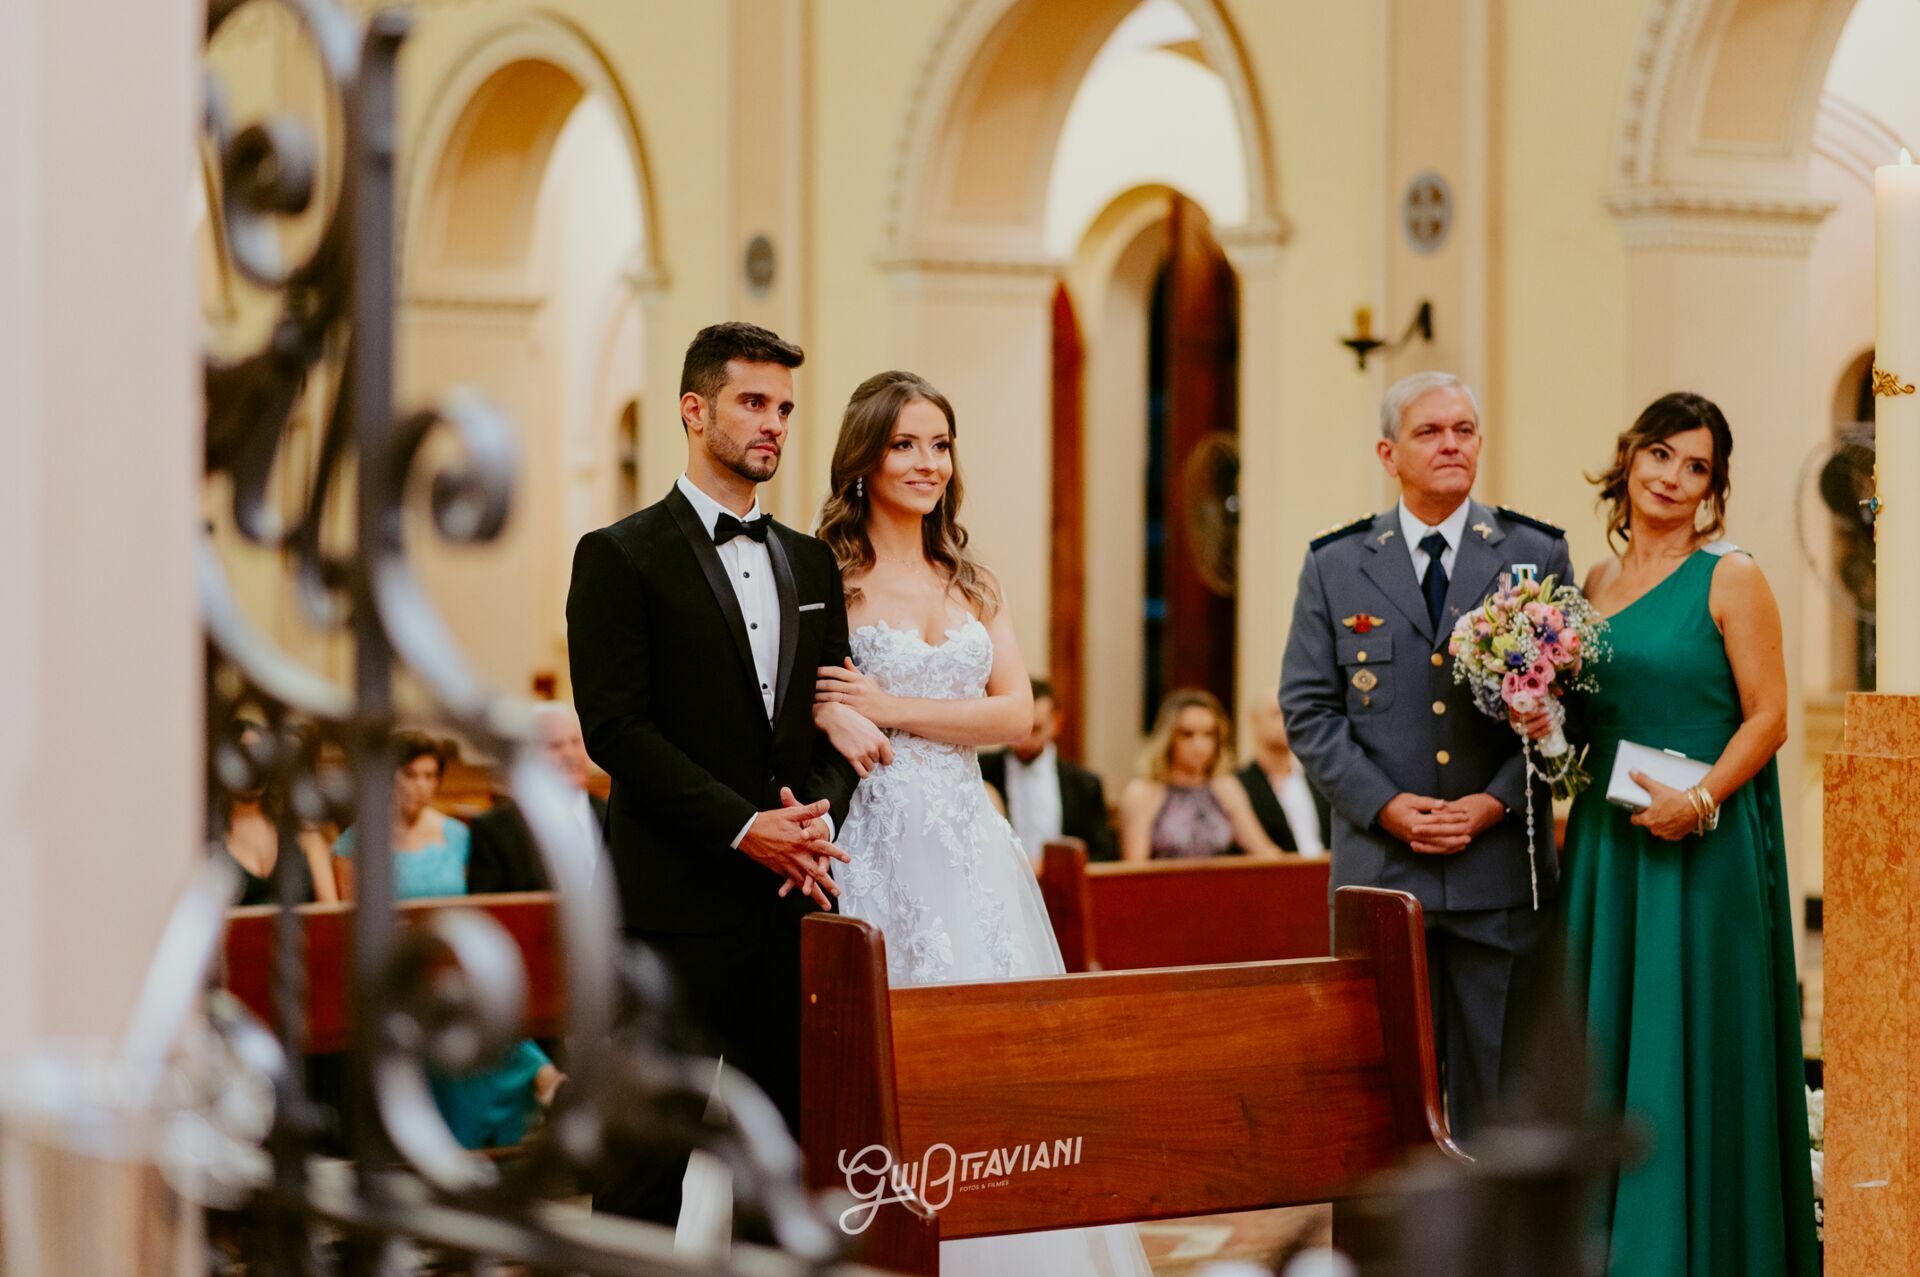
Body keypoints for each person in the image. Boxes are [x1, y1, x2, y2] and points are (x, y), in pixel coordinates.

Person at [813, 369, 1150, 1277]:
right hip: (877, 840)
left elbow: (1017, 716)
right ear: (864, 457)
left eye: (940, 443)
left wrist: (889, 704)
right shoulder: (829, 577)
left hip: (973, 840)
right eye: (905, 444)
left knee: (1006, 1058)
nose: (927, 462)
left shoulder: (971, 581)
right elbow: (804, 701)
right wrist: (850, 710)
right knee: (898, 1061)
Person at [565, 322, 869, 1228]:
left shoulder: (810, 562)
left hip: (786, 910)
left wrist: (815, 823)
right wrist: (744, 828)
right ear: (695, 411)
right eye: (752, 401)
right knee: (643, 1170)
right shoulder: (619, 554)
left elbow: (835, 715)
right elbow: (617, 729)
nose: (773, 423)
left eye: (783, 407)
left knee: (782, 1173)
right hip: (670, 912)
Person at [1553, 393, 1817, 1274]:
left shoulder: (1730, 575)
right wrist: (1536, 718)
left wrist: (1699, 800)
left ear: (1715, 485)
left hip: (1699, 850)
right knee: (1609, 1047)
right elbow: (1590, 719)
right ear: (1629, 457)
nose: (1672, 478)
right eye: (1661, 455)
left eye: (1696, 466)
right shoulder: (1593, 583)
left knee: (1688, 1047)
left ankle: (1702, 1248)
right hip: (1608, 845)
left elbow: (1771, 717)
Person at [1278, 370, 1573, 1142]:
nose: (1451, 444)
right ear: (1388, 452)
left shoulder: (1534, 555)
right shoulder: (1336, 565)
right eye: (1430, 431)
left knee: (1500, 1096)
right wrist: (1385, 805)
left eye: (1465, 430)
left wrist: (1495, 801)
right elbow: (1308, 709)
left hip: (1499, 871)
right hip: (1384, 870)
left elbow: (1570, 704)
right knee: (1380, 1098)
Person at [333, 730, 562, 1148]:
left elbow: (477, 909)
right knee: (444, 1009)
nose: (421, 787)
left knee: (476, 1000)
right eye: (410, 775)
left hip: (452, 961)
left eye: (430, 776)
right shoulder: (357, 843)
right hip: (394, 968)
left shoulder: (458, 835)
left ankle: (496, 1125)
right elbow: (348, 924)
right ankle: (537, 1074)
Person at [1117, 689, 1284, 862]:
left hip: (1218, 885)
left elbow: (1263, 851)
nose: (1199, 745)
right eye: (1187, 735)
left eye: (1208, 734)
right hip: (1164, 886)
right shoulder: (1143, 792)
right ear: (1167, 738)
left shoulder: (1225, 787)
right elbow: (1135, 868)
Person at [467, 702, 608, 895]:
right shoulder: (495, 830)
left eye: (576, 742)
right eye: (555, 746)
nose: (570, 753)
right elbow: (490, 910)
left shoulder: (612, 815)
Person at [979, 677, 1118, 865]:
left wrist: (1053, 867)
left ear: (1056, 723)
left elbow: (1103, 853)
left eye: (1035, 729)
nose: (1023, 739)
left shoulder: (1083, 784)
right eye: (1018, 728)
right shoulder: (981, 771)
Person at [212, 720, 337, 905]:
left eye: (259, 754)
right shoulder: (210, 840)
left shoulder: (302, 833)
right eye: (245, 753)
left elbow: (329, 915)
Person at [1234, 694, 1331, 856]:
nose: (1287, 720)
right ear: (1255, 722)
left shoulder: (1317, 778)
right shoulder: (1241, 785)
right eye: (1276, 713)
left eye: (1291, 713)